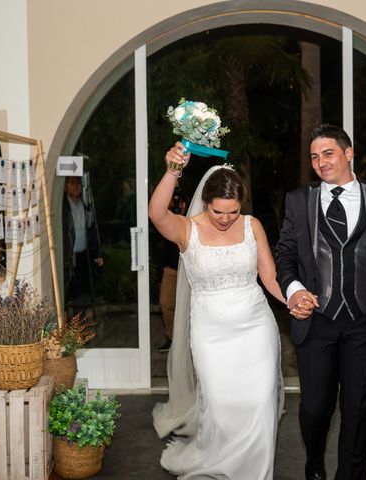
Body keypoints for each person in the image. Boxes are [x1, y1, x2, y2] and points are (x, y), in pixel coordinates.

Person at [275, 124, 366, 480]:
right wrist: (294, 289)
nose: (321, 162)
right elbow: (285, 254)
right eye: (314, 156)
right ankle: (314, 467)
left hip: (365, 319)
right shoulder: (299, 200)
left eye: (328, 153)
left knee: (358, 409)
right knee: (314, 409)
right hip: (317, 320)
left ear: (348, 152)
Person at [150, 142, 286, 479]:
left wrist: (293, 299)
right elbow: (156, 213)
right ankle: (217, 461)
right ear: (205, 204)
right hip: (211, 333)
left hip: (256, 328)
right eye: (218, 212)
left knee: (259, 404)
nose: (226, 219)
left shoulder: (252, 226)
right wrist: (172, 170)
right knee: (222, 405)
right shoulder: (186, 229)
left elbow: (269, 276)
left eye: (233, 211)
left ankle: (257, 472)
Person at [62, 176, 103, 305]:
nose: (76, 186)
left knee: (81, 292)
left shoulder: (85, 206)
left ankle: (78, 321)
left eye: (78, 183)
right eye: (72, 183)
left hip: (83, 255)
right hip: (68, 256)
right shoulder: (62, 207)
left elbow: (92, 229)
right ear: (65, 186)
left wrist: (97, 253)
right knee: (68, 291)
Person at [157, 190, 186, 353]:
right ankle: (171, 338)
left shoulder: (192, 216)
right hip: (171, 268)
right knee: (166, 303)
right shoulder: (165, 218)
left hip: (189, 270)